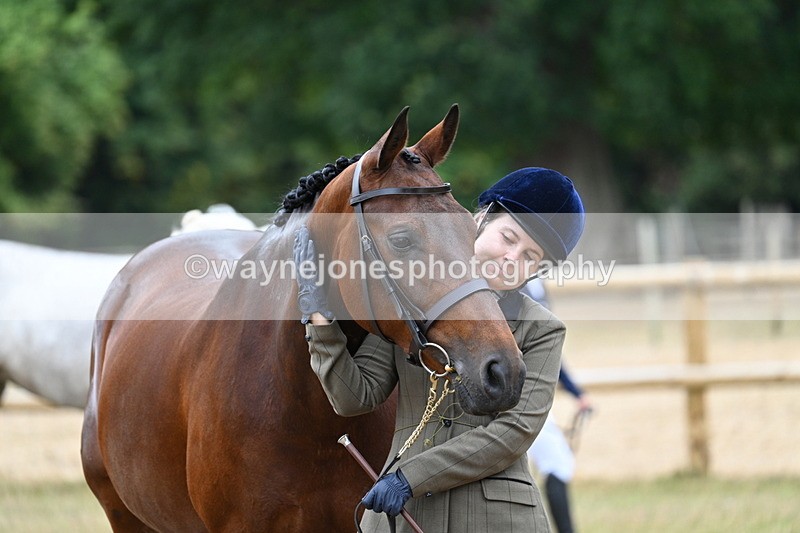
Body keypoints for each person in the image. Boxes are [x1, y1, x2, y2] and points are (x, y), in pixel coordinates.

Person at [294, 167, 585, 532]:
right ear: (480, 220)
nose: (512, 259)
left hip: (496, 519)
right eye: (508, 237)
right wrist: (318, 317)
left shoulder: (542, 329)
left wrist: (409, 478)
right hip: (401, 515)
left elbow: (514, 432)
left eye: (530, 257)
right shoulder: (411, 297)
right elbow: (354, 397)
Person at [522, 279, 593, 533]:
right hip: (521, 396)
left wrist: (576, 392)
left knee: (556, 462)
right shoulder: (514, 283)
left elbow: (547, 348)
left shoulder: (537, 285)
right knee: (556, 462)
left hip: (532, 395)